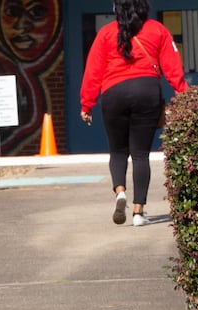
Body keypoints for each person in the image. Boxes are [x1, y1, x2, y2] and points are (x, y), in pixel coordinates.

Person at [78, 0, 187, 227]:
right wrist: (183, 92)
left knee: (117, 151)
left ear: (117, 10)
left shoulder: (106, 34)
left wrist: (87, 104)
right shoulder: (158, 30)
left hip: (113, 93)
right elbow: (172, 65)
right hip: (146, 91)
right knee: (140, 154)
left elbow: (93, 70)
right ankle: (139, 212)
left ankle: (120, 193)